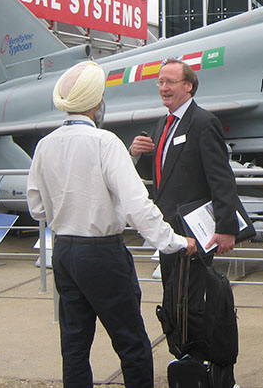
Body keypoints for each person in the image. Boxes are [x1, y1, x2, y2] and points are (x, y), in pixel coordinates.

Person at [27, 61, 197, 388]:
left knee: (74, 344)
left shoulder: (44, 145)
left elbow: (36, 208)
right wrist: (173, 242)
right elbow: (137, 205)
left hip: (64, 251)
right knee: (131, 342)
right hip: (102, 253)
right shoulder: (105, 142)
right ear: (96, 104)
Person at [130, 58, 239, 385]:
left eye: (171, 82)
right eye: (160, 82)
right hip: (169, 235)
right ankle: (187, 362)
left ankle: (206, 368)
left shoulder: (203, 122)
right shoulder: (163, 124)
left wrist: (226, 227)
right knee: (173, 300)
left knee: (194, 303)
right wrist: (140, 156)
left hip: (196, 234)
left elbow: (221, 178)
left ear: (188, 86)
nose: (164, 87)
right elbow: (162, 177)